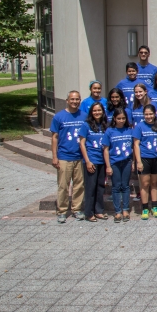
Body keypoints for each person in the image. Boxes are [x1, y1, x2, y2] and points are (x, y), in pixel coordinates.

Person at [51, 92, 88, 223]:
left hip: (79, 157)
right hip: (64, 156)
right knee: (63, 185)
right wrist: (54, 156)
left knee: (79, 185)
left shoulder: (84, 116)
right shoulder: (59, 117)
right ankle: (61, 211)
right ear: (67, 100)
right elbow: (54, 137)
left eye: (77, 99)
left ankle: (77, 209)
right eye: (72, 99)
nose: (75, 101)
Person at [102, 109, 134, 222]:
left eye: (123, 118)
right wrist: (108, 166)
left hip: (126, 162)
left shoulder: (130, 130)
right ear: (114, 119)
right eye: (119, 118)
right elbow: (105, 150)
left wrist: (133, 161)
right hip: (114, 162)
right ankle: (117, 212)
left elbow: (134, 147)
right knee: (116, 187)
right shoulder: (109, 131)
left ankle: (125, 209)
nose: (121, 120)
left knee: (125, 186)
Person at [78, 102, 108, 223]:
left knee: (100, 186)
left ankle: (98, 210)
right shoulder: (86, 125)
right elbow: (82, 144)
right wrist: (87, 161)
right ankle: (89, 213)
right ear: (91, 112)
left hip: (102, 160)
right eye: (95, 111)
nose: (97, 113)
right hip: (91, 160)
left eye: (99, 110)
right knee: (90, 187)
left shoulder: (105, 125)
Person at [133, 104, 157, 219]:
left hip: (156, 158)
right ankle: (145, 208)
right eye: (146, 114)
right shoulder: (139, 126)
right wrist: (138, 161)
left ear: (155, 114)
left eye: (151, 114)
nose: (149, 116)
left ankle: (155, 206)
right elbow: (136, 144)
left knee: (155, 183)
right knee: (144, 184)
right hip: (144, 158)